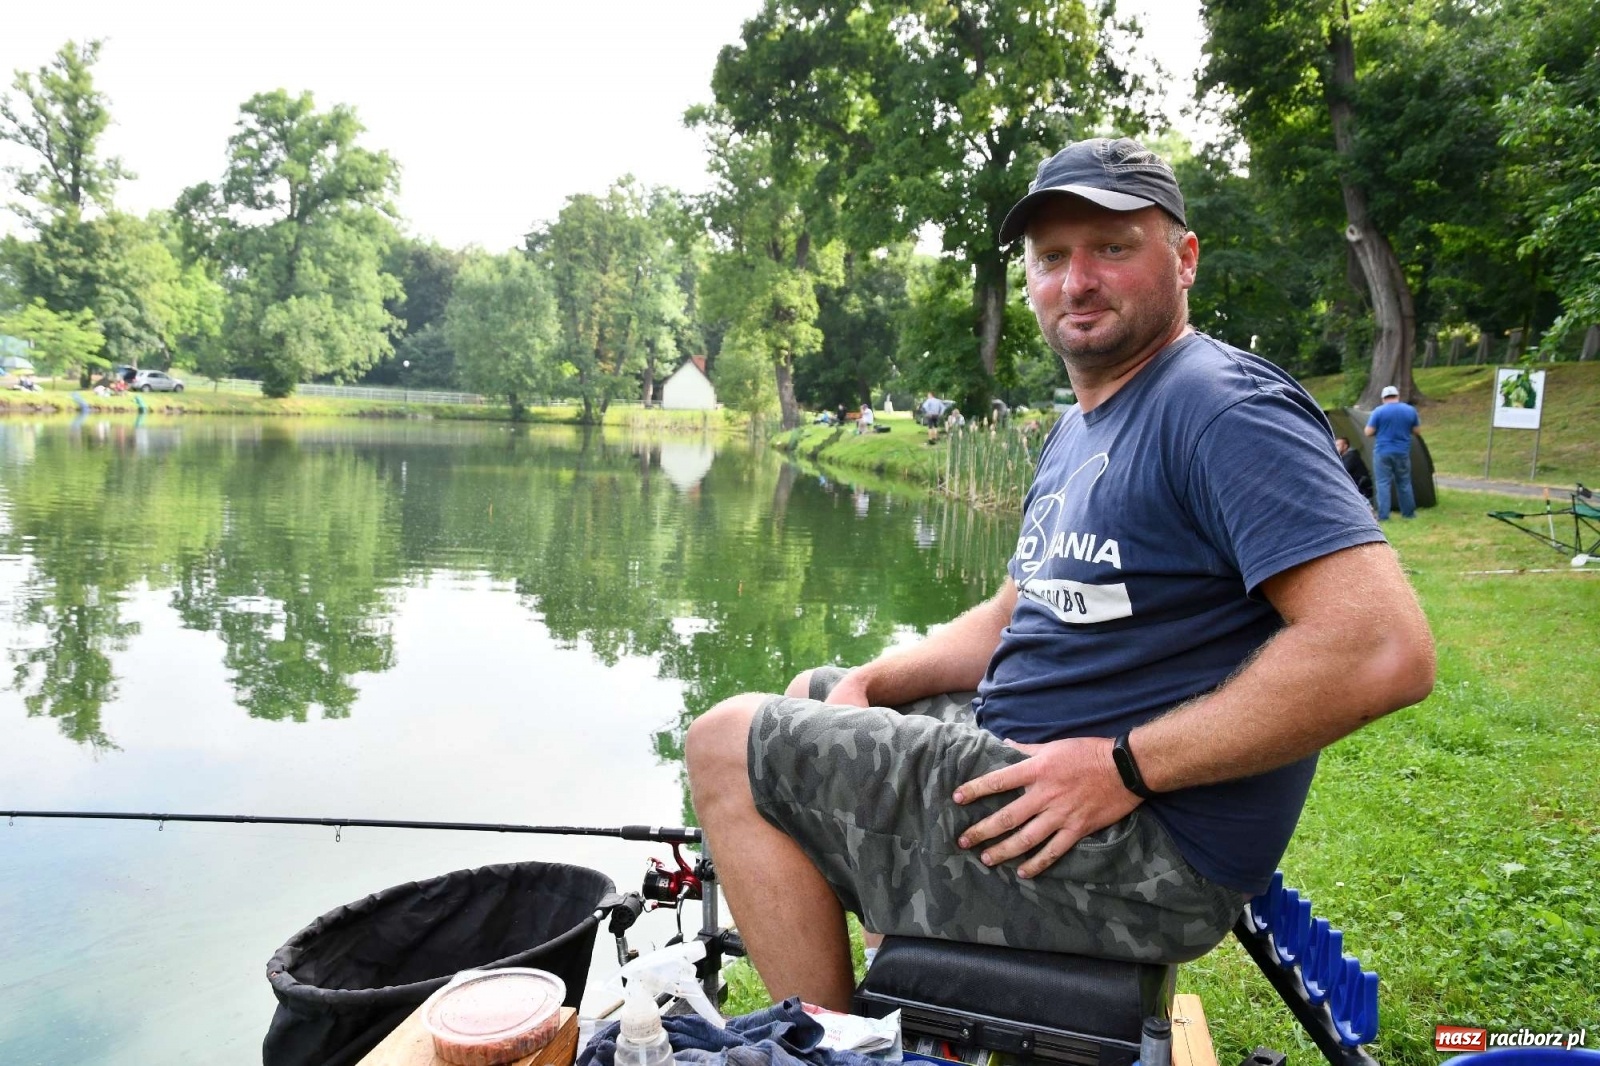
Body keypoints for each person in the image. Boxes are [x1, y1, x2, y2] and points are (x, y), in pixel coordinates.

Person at [685, 136, 1435, 1011]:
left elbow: (1383, 650)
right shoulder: (1085, 424)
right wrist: (872, 681)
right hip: (1047, 770)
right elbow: (1016, 610)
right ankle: (910, 977)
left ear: (1184, 257)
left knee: (726, 744)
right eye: (1051, 258)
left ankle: (827, 1043)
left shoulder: (1221, 408)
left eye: (1111, 248)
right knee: (818, 688)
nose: (1075, 282)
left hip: (1144, 850)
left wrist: (1123, 768)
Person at [1364, 386, 1421, 520]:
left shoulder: (1378, 411)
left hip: (1383, 452)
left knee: (1383, 483)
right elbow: (1417, 431)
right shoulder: (1410, 410)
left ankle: (1384, 515)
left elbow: (1368, 432)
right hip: (1402, 451)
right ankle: (1408, 514)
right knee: (1404, 482)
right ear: (1397, 396)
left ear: (1383, 398)